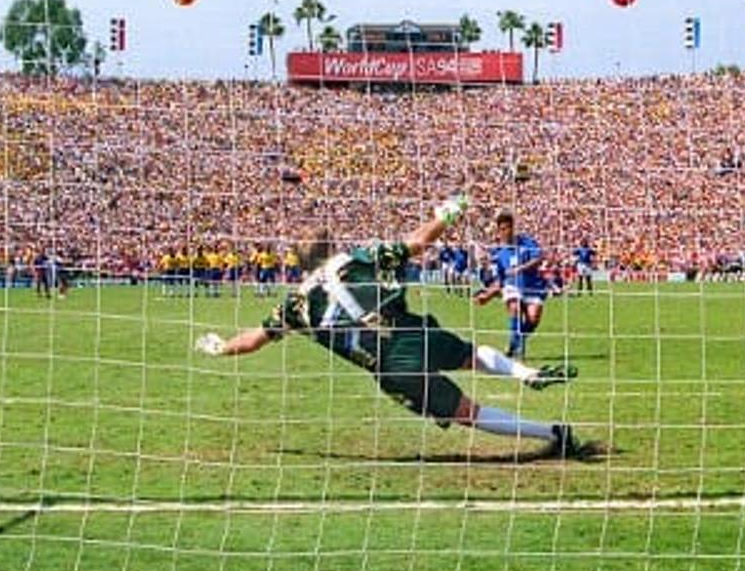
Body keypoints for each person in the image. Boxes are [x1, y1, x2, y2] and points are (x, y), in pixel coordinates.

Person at [193, 193, 589, 458]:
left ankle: (552, 433)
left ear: (301, 264)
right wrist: (445, 216)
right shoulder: (356, 257)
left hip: (388, 366)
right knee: (471, 355)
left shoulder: (295, 305)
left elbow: (254, 341)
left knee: (468, 411)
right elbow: (416, 243)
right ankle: (525, 372)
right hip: (409, 330)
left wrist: (222, 346)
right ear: (331, 248)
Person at [474, 210, 552, 360]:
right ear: (498, 231)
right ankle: (517, 346)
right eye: (502, 229)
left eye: (508, 227)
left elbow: (539, 258)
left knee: (533, 318)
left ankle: (515, 341)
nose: (506, 232)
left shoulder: (527, 242)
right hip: (512, 287)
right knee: (514, 307)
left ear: (513, 228)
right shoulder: (498, 253)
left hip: (532, 286)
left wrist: (520, 268)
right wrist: (488, 296)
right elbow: (500, 280)